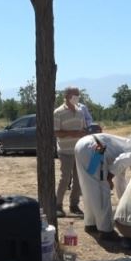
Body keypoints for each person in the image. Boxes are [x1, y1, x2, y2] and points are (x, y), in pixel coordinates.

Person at [74, 133, 131, 240]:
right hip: (97, 149)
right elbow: (120, 163)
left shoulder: (125, 147)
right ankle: (105, 230)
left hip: (82, 145)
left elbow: (120, 180)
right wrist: (108, 178)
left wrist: (125, 202)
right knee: (102, 189)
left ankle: (90, 224)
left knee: (89, 187)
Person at [54, 86, 87, 217]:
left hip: (79, 151)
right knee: (65, 179)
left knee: (78, 180)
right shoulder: (58, 112)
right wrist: (73, 133)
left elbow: (83, 129)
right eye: (76, 95)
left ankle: (74, 205)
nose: (78, 97)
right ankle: (58, 205)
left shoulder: (80, 111)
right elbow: (56, 132)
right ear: (67, 96)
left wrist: (84, 133)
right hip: (65, 152)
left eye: (78, 95)